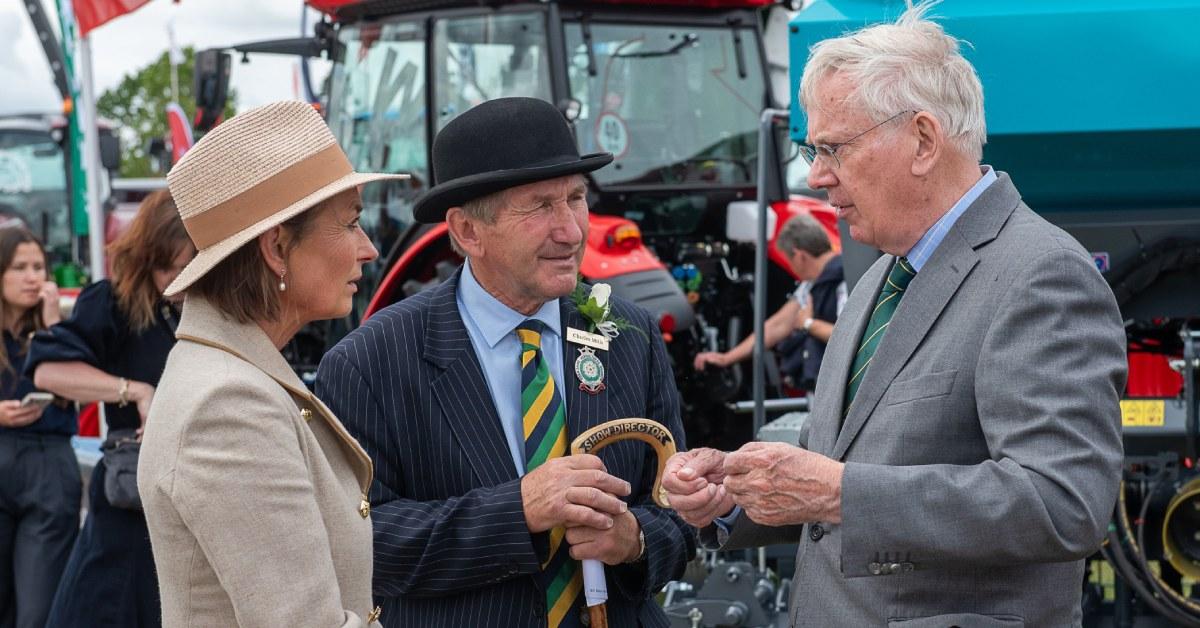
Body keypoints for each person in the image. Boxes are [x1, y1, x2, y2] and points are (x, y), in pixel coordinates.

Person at [662, 5, 1127, 627]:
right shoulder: (886, 270)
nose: (816, 176)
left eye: (833, 148)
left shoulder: (1040, 274)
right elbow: (844, 451)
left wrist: (836, 492)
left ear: (924, 140)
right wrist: (735, 495)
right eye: (810, 148)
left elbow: (1062, 502)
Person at [316, 97, 695, 628]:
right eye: (540, 206)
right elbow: (359, 542)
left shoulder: (626, 332)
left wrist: (634, 541)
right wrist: (517, 511)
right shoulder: (370, 361)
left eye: (576, 199)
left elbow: (680, 511)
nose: (570, 230)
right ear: (468, 232)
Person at [137, 101, 405, 627]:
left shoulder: (233, 376)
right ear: (277, 248)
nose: (368, 248)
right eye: (349, 224)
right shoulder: (229, 405)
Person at [28, 190, 193, 628]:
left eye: (188, 266)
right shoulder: (115, 304)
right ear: (145, 257)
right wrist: (134, 391)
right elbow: (46, 370)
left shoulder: (212, 305)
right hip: (129, 512)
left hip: (193, 504)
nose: (177, 280)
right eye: (166, 267)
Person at [0, 227, 76, 628]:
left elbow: (70, 390)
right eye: (19, 267)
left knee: (38, 611)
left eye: (39, 267)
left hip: (48, 463)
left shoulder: (58, 327)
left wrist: (51, 326)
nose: (33, 277)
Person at [693, 213, 845, 391]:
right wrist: (727, 358)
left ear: (799, 255)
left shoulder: (845, 280)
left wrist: (808, 324)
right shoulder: (810, 285)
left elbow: (853, 336)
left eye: (789, 261)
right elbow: (776, 325)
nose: (791, 268)